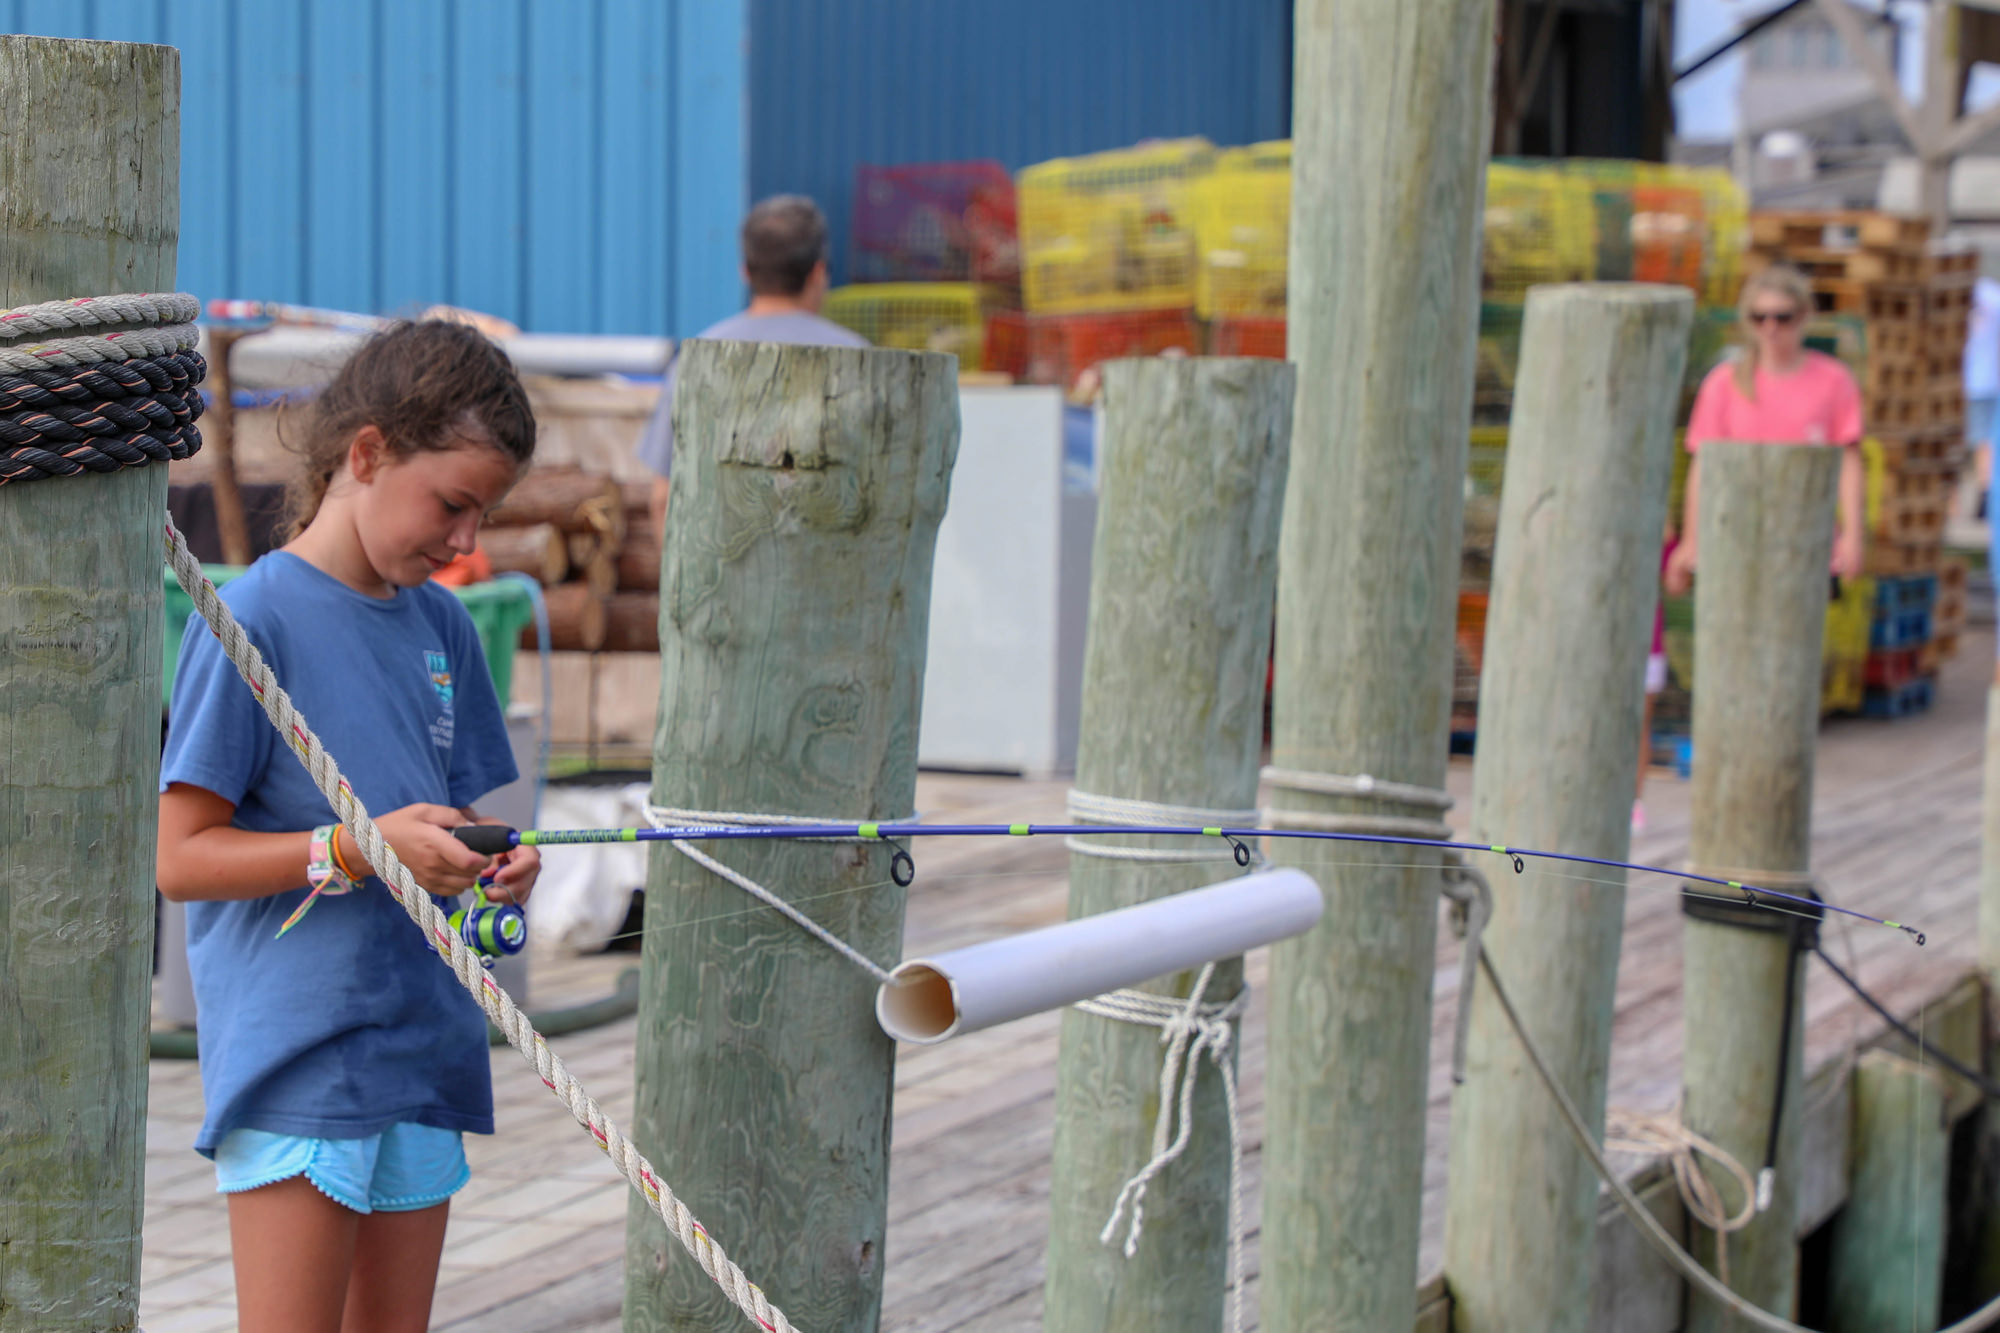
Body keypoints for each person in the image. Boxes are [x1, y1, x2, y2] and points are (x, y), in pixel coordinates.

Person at [155, 320, 543, 1333]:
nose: (466, 541)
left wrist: (496, 861)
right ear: (366, 454)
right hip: (302, 1058)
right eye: (452, 504)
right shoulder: (254, 619)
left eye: (485, 512)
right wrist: (355, 850)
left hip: (424, 1045)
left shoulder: (445, 623)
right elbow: (179, 859)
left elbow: (458, 816)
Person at [638, 194, 868, 537]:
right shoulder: (858, 357)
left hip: (717, 566)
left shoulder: (698, 355)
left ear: (745, 271)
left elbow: (663, 498)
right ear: (818, 272)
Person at [1664, 264, 1866, 598]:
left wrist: (1853, 535)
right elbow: (1704, 466)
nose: (1771, 328)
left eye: (1783, 318)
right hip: (1734, 538)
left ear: (1804, 316)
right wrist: (1691, 540)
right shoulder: (1724, 384)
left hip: (1806, 543)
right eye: (1760, 318)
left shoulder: (1834, 381)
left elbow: (1849, 461)